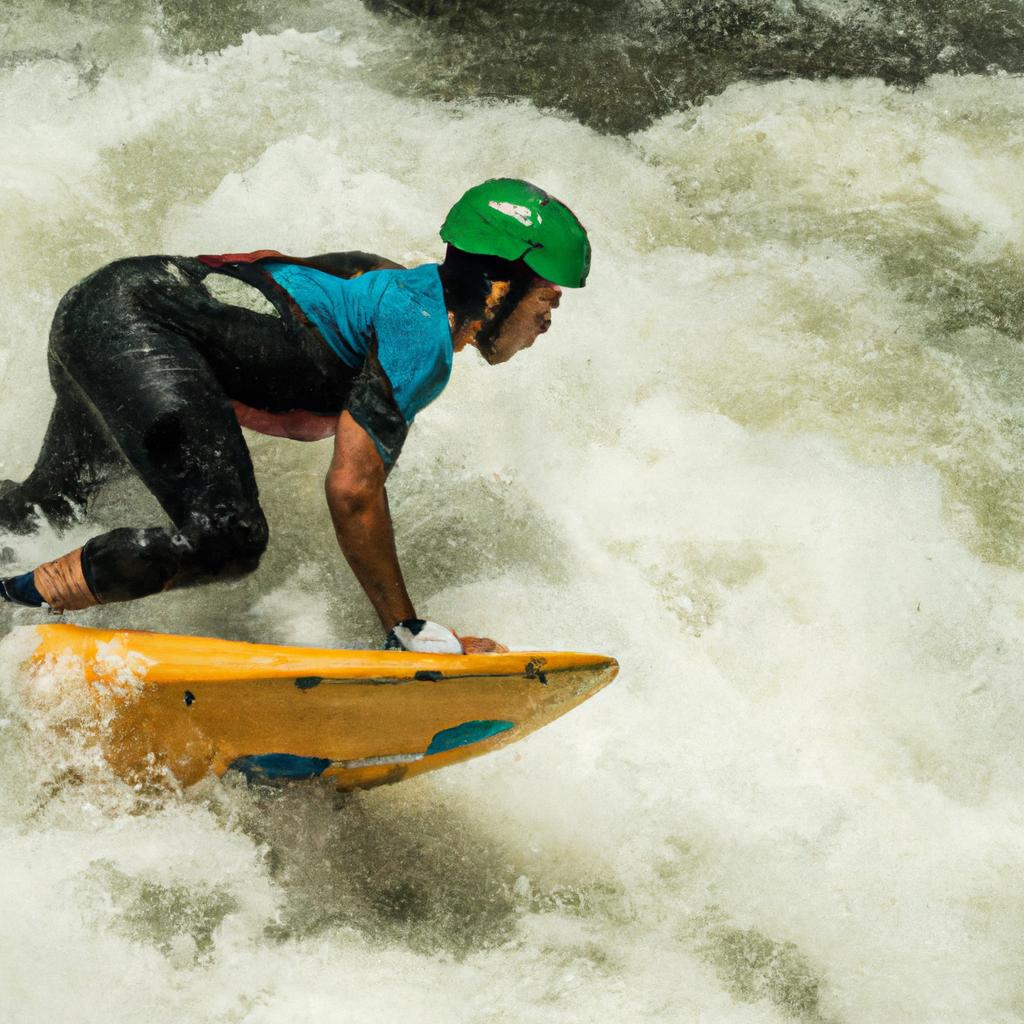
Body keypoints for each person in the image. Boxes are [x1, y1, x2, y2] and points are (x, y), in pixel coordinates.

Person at [0, 178, 591, 653]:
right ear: (497, 289)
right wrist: (407, 630)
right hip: (141, 327)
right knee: (226, 538)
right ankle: (12, 596)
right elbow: (354, 490)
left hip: (106, 299)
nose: (545, 322)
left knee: (46, 509)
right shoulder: (422, 335)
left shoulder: (386, 281)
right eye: (547, 300)